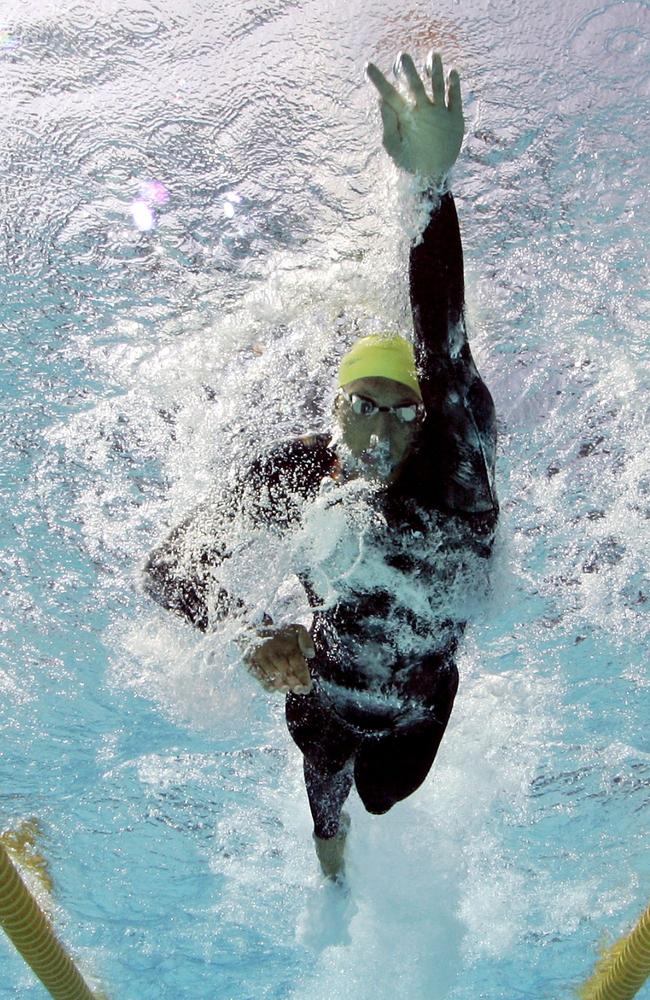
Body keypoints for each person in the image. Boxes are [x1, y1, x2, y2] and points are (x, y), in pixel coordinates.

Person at [143, 52, 498, 883]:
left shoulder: (447, 462)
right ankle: (329, 863)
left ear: (423, 419)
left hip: (421, 696)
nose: (380, 428)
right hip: (327, 680)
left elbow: (440, 330)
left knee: (385, 794)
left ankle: (350, 833)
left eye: (399, 409)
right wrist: (248, 630)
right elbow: (167, 566)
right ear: (331, 411)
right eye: (360, 405)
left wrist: (431, 186)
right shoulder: (305, 472)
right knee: (327, 792)